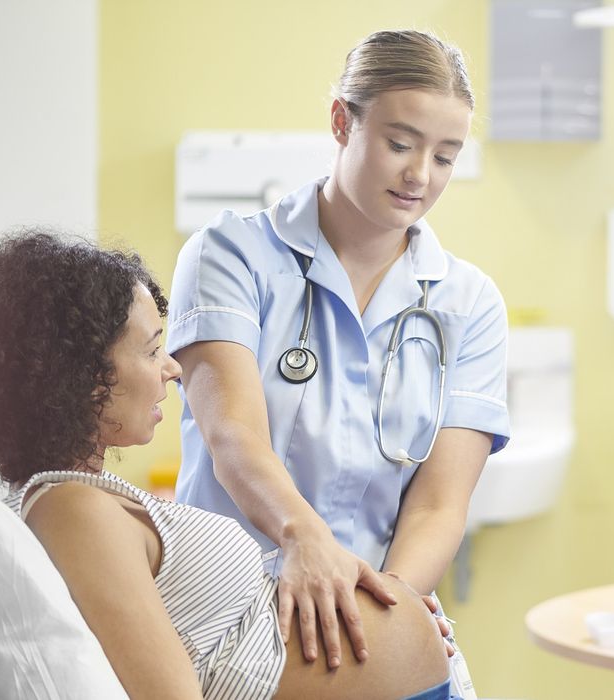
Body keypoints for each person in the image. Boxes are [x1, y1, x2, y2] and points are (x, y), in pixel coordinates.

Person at [0, 231, 453, 700]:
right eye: (152, 351)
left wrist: (380, 604)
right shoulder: (70, 510)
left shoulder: (84, 492)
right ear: (80, 374)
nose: (173, 369)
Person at [166, 29, 509, 681]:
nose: (420, 175)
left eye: (444, 155)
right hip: (235, 607)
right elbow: (233, 434)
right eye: (400, 144)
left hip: (383, 605)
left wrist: (386, 609)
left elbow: (439, 503)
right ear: (340, 122)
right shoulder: (230, 256)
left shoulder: (469, 303)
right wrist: (306, 540)